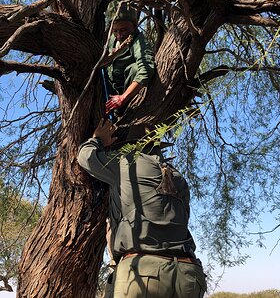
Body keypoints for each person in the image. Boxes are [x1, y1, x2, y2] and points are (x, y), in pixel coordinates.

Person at [77, 119, 207, 298]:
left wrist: (97, 140)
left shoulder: (127, 164)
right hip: (189, 274)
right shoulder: (178, 178)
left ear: (129, 147)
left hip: (145, 271)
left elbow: (86, 157)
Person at [105, 3, 155, 116]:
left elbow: (146, 70)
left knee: (135, 69)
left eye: (123, 30)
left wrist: (123, 98)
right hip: (107, 88)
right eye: (115, 31)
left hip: (124, 94)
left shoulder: (139, 42)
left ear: (134, 26)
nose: (119, 35)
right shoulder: (111, 39)